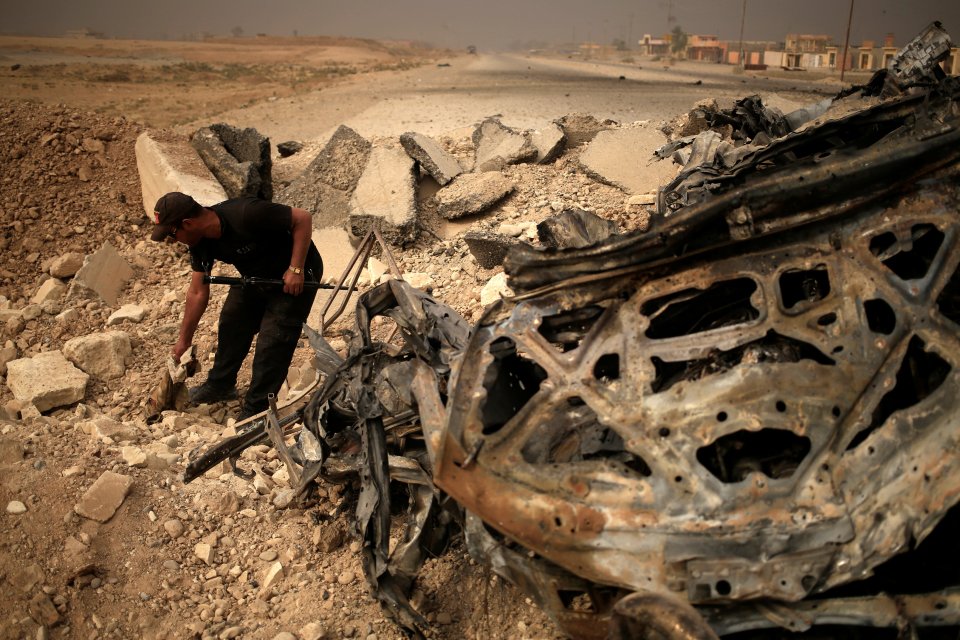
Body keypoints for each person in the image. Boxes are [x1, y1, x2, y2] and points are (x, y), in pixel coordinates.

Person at [149, 191, 323, 420]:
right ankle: (220, 384)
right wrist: (184, 341)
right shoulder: (199, 242)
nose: (173, 240)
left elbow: (303, 218)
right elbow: (197, 290)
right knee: (232, 320)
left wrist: (296, 269)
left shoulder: (245, 213)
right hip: (255, 276)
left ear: (187, 223)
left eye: (172, 234)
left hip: (295, 276)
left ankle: (257, 407)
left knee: (273, 340)